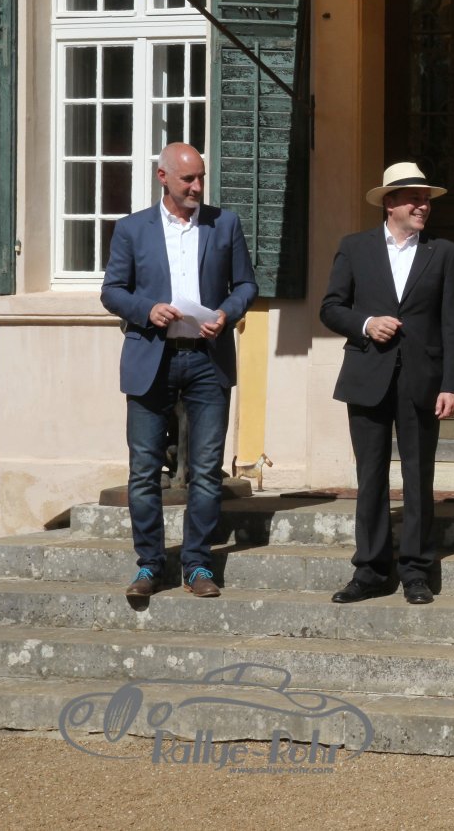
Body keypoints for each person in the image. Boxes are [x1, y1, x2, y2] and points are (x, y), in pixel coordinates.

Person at [101, 143, 258, 599]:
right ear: (163, 177)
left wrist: (226, 312)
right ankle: (150, 565)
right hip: (152, 358)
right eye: (188, 178)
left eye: (201, 177)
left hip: (207, 360)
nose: (197, 187)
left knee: (206, 471)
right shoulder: (132, 229)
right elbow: (112, 291)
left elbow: (246, 284)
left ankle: (197, 564)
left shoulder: (224, 224)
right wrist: (147, 309)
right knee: (144, 471)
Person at [321, 163, 454, 606]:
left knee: (419, 476)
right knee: (371, 476)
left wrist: (452, 384)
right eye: (414, 198)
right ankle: (370, 570)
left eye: (426, 199)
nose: (423, 206)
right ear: (390, 203)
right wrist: (366, 323)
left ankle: (416, 571)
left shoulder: (444, 252)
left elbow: (453, 323)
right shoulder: (355, 247)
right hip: (368, 375)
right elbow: (331, 308)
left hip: (423, 379)